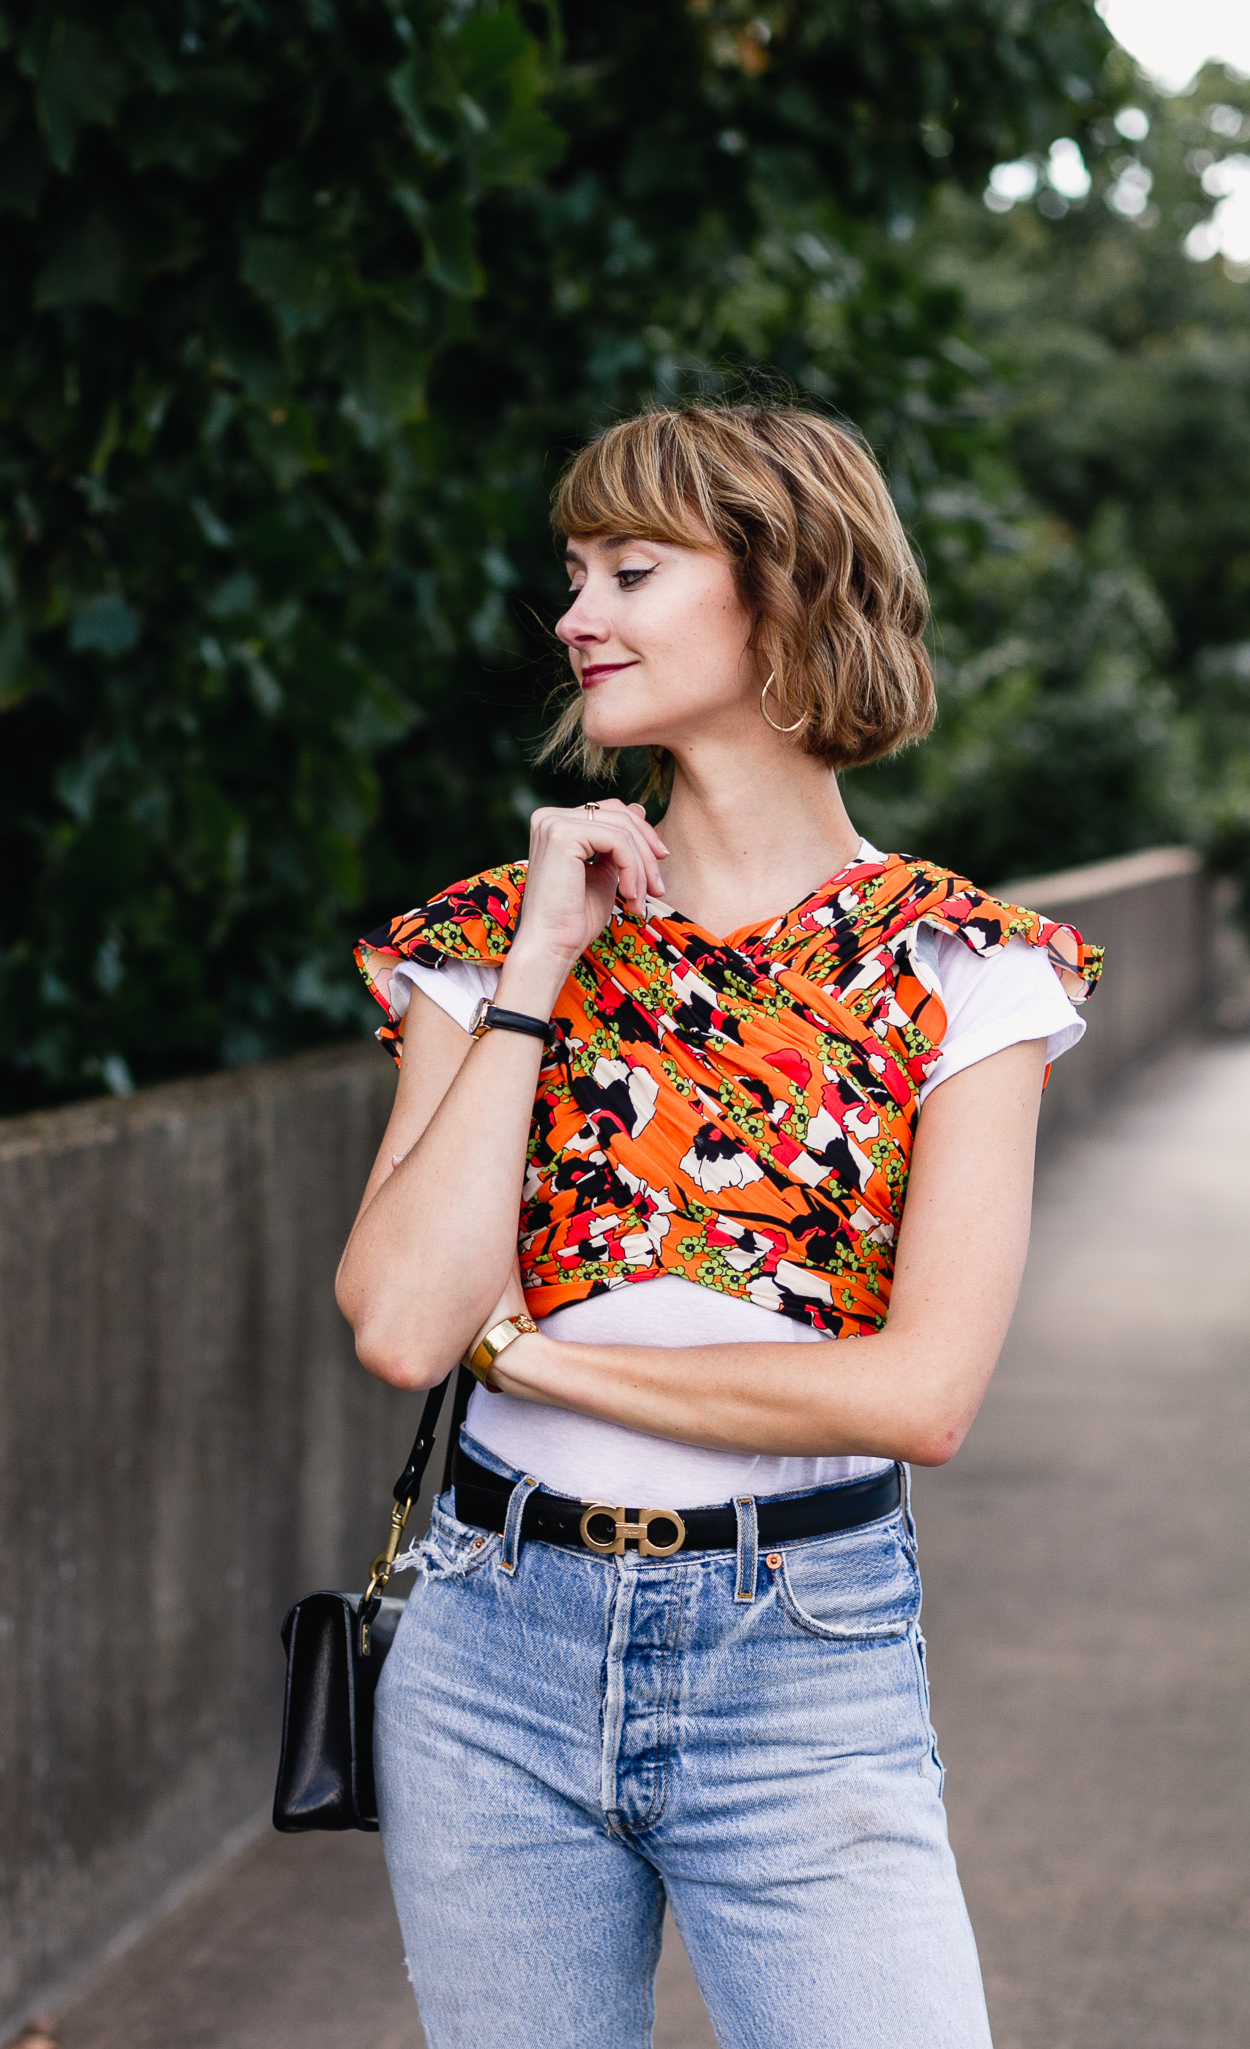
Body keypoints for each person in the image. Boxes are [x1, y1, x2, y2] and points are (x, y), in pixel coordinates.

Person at [336, 403, 1100, 2049]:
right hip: (487, 1648)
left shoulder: (962, 970)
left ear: (785, 588)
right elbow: (404, 1323)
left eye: (628, 569)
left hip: (803, 1659)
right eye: (571, 572)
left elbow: (917, 1399)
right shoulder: (488, 941)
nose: (572, 616)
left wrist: (534, 1352)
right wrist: (538, 970)